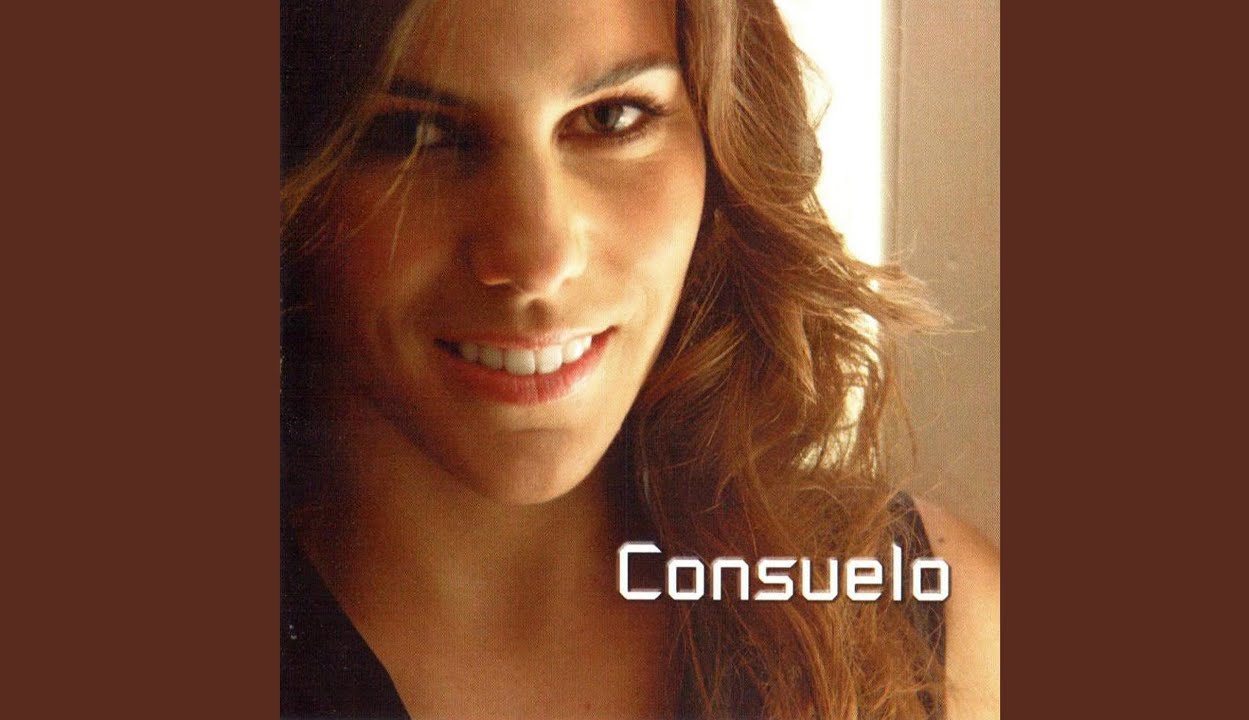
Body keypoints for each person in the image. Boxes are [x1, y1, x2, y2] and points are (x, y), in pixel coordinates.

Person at [280, 0, 999, 718]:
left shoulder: (945, 631)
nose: (538, 260)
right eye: (414, 134)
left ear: (721, 139)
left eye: (610, 118)